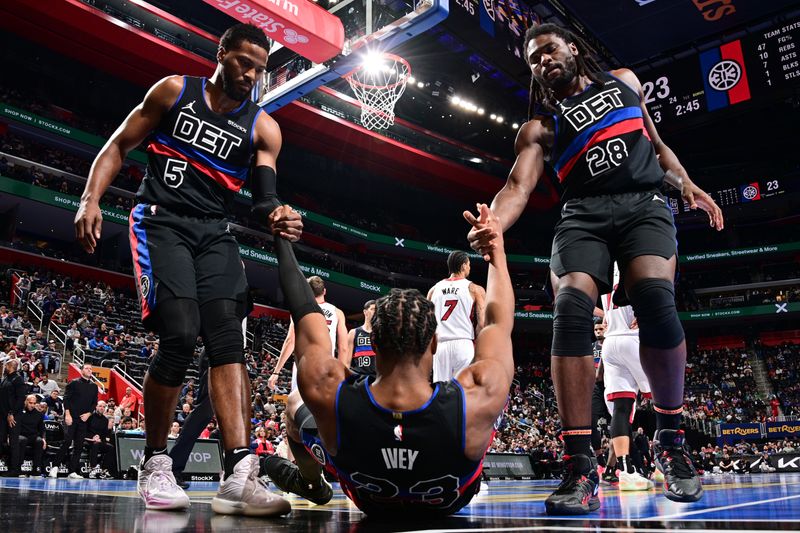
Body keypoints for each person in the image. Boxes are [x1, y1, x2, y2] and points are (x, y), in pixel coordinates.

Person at [467, 23, 724, 513]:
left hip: (642, 202)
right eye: (533, 59)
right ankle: (581, 465)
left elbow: (655, 143)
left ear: (572, 49)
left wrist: (686, 183)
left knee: (654, 299)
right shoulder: (539, 129)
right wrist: (493, 223)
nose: (542, 61)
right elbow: (517, 188)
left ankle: (671, 441)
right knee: (570, 308)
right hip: (582, 213)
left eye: (548, 50)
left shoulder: (624, 81)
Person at [74, 23, 299, 515]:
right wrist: (91, 198)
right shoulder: (175, 91)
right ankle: (155, 462)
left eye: (260, 69)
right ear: (221, 54)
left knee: (227, 340)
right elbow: (117, 145)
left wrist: (279, 212)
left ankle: (240, 474)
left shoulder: (264, 128)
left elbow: (264, 199)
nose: (251, 75)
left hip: (214, 232)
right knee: (179, 333)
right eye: (244, 63)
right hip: (160, 222)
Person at [263, 204, 514, 517]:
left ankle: (311, 482)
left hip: (370, 502)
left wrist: (282, 242)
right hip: (448, 502)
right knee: (482, 418)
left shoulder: (328, 388)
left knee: (294, 404)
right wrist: (496, 252)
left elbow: (303, 309)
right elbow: (497, 324)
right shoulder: (478, 394)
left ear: (373, 344)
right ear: (433, 343)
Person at [600, 263, 653, 491]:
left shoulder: (602, 265)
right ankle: (664, 463)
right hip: (634, 336)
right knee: (662, 400)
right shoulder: (635, 257)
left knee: (621, 409)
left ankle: (626, 472)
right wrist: (645, 310)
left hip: (610, 342)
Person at [269, 276, 347, 392]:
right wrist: (341, 375)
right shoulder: (337, 312)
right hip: (326, 366)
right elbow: (343, 348)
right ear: (324, 291)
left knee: (298, 406)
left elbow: (290, 341)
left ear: (306, 291)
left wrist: (276, 371)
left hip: (304, 365)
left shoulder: (299, 310)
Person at [426, 251, 486, 382]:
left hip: (440, 346)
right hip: (463, 344)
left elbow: (427, 324)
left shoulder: (433, 290)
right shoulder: (475, 289)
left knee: (441, 394)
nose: (470, 267)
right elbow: (481, 324)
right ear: (464, 266)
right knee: (463, 393)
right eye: (469, 264)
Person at [49, 364, 98, 479]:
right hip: (71, 417)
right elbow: (66, 398)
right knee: (66, 442)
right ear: (81, 371)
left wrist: (89, 413)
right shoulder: (74, 382)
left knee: (79, 446)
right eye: (87, 368)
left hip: (84, 420)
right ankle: (54, 467)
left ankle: (72, 471)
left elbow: (94, 403)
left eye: (91, 369)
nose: (89, 370)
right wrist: (67, 414)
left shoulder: (94, 386)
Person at [0, 360, 26, 475]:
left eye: (6, 365)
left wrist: (11, 413)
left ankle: (14, 469)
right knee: (1, 440)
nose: (4, 367)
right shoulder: (6, 378)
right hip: (2, 415)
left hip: (13, 416)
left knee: (14, 442)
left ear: (11, 366)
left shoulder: (18, 379)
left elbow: (20, 399)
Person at [340, 300, 377, 377]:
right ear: (365, 312)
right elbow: (347, 362)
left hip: (375, 378)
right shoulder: (354, 332)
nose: (375, 312)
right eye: (373, 309)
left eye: (377, 310)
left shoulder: (380, 334)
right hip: (358, 376)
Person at [13, 395, 46, 477]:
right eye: (30, 403)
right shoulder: (19, 412)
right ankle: (18, 469)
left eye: (34, 403)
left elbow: (42, 429)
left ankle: (36, 469)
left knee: (39, 441)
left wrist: (44, 439)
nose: (32, 405)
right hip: (20, 435)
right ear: (26, 402)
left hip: (32, 436)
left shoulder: (39, 414)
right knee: (23, 440)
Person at [85, 400, 115, 479]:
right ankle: (92, 468)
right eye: (100, 406)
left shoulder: (105, 420)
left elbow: (104, 434)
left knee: (111, 448)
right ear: (96, 407)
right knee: (95, 444)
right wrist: (93, 437)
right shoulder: (90, 417)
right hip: (88, 439)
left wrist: (100, 439)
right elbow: (85, 430)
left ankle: (104, 470)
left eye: (104, 407)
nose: (102, 408)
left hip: (99, 440)